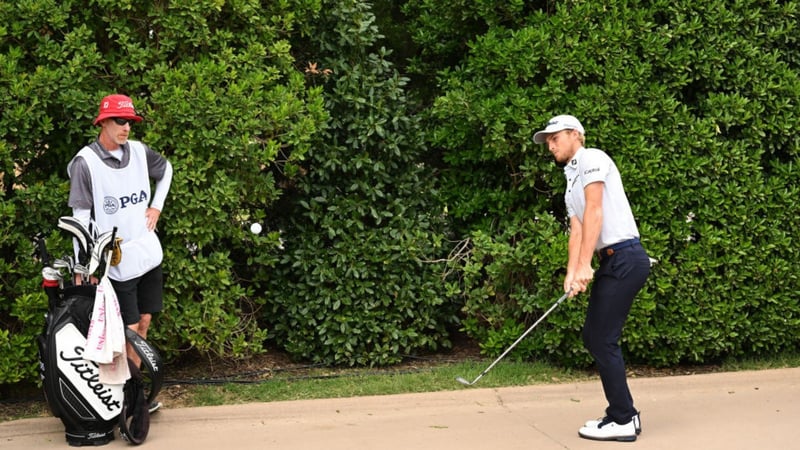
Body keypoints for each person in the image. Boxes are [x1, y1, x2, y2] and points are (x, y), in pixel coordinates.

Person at [533, 115, 650, 442]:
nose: (551, 144)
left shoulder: (592, 158)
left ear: (575, 135)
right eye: (548, 140)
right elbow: (579, 228)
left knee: (600, 338)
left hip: (625, 256)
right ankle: (624, 415)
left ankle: (623, 419)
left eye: (555, 137)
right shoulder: (571, 180)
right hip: (614, 260)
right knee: (596, 337)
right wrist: (573, 272)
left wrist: (587, 265)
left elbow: (596, 210)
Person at [67, 94, 173, 413]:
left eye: (130, 122)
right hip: (116, 261)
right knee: (125, 331)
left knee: (144, 320)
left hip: (147, 254)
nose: (126, 127)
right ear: (103, 122)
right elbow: (80, 219)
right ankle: (125, 399)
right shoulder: (85, 162)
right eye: (120, 121)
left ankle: (135, 396)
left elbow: (165, 170)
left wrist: (157, 205)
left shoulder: (140, 152)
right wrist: (84, 264)